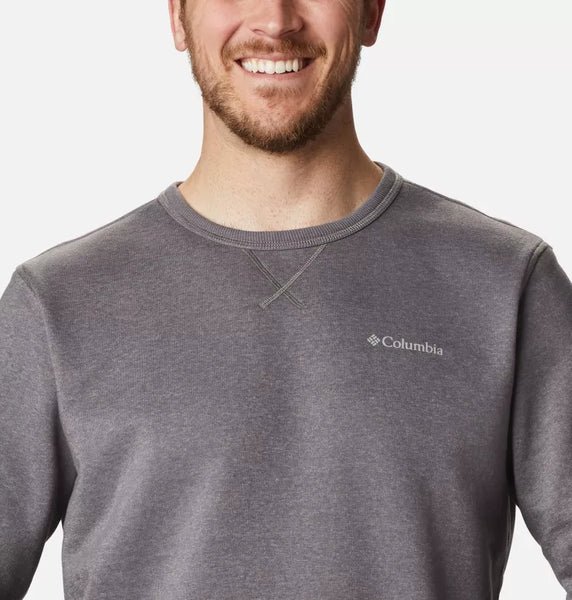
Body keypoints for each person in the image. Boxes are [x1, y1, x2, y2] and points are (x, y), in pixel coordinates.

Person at [1, 0, 570, 598]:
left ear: (372, 13)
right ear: (177, 17)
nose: (275, 20)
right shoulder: (54, 308)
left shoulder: (508, 287)